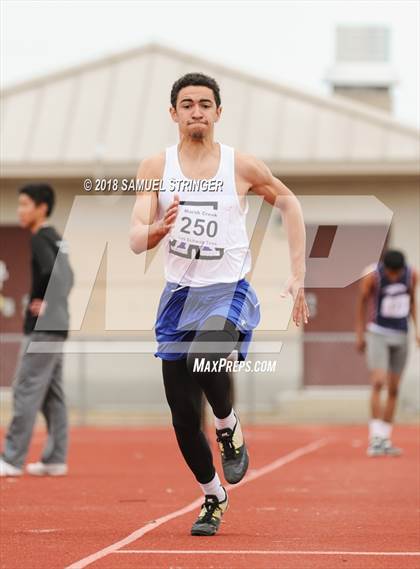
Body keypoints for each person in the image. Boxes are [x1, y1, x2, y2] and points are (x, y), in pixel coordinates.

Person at [129, 73, 308, 536]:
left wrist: (298, 273)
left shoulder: (241, 166)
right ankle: (213, 495)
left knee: (209, 350)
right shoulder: (155, 167)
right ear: (173, 114)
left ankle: (227, 425)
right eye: (186, 104)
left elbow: (289, 203)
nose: (196, 112)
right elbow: (134, 239)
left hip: (228, 290)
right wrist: (156, 231)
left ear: (218, 113)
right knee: (183, 416)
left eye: (205, 104)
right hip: (177, 298)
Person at [0, 184, 73, 477]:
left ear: (42, 207)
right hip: (58, 326)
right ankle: (55, 458)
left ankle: (12, 458)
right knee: (52, 394)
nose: (20, 210)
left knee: (25, 389)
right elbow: (68, 274)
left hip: (44, 329)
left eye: (25, 204)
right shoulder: (56, 238)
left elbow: (58, 274)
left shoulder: (40, 238)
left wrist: (47, 303)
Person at [356, 249, 418, 457]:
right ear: (386, 269)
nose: (393, 277)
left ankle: (385, 437)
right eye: (391, 273)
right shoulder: (372, 276)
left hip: (401, 334)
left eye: (396, 273)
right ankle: (374, 437)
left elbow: (412, 302)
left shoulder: (412, 274)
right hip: (378, 333)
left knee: (393, 388)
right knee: (378, 382)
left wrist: (417, 330)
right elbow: (362, 303)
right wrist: (360, 333)